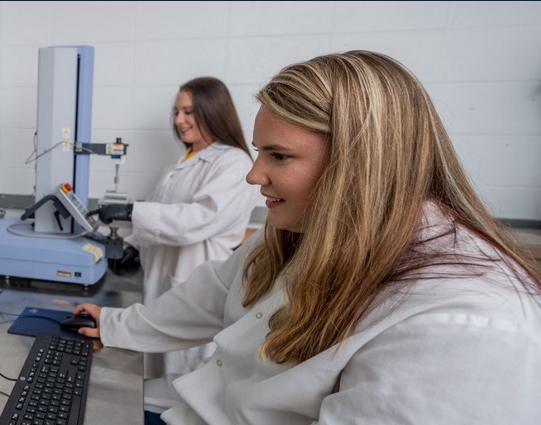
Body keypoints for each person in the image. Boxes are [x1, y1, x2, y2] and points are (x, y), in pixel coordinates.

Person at [73, 50, 541, 425]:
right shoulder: (302, 231)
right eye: (260, 152)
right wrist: (113, 325)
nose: (254, 175)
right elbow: (215, 292)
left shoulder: (464, 321)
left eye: (278, 156)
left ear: (360, 165)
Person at [88, 77, 259, 378]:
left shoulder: (234, 162)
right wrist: (131, 247)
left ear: (213, 111)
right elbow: (160, 217)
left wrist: (130, 211)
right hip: (161, 285)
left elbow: (198, 219)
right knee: (156, 373)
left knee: (181, 376)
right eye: (176, 112)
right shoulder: (180, 162)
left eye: (189, 111)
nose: (180, 120)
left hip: (194, 285)